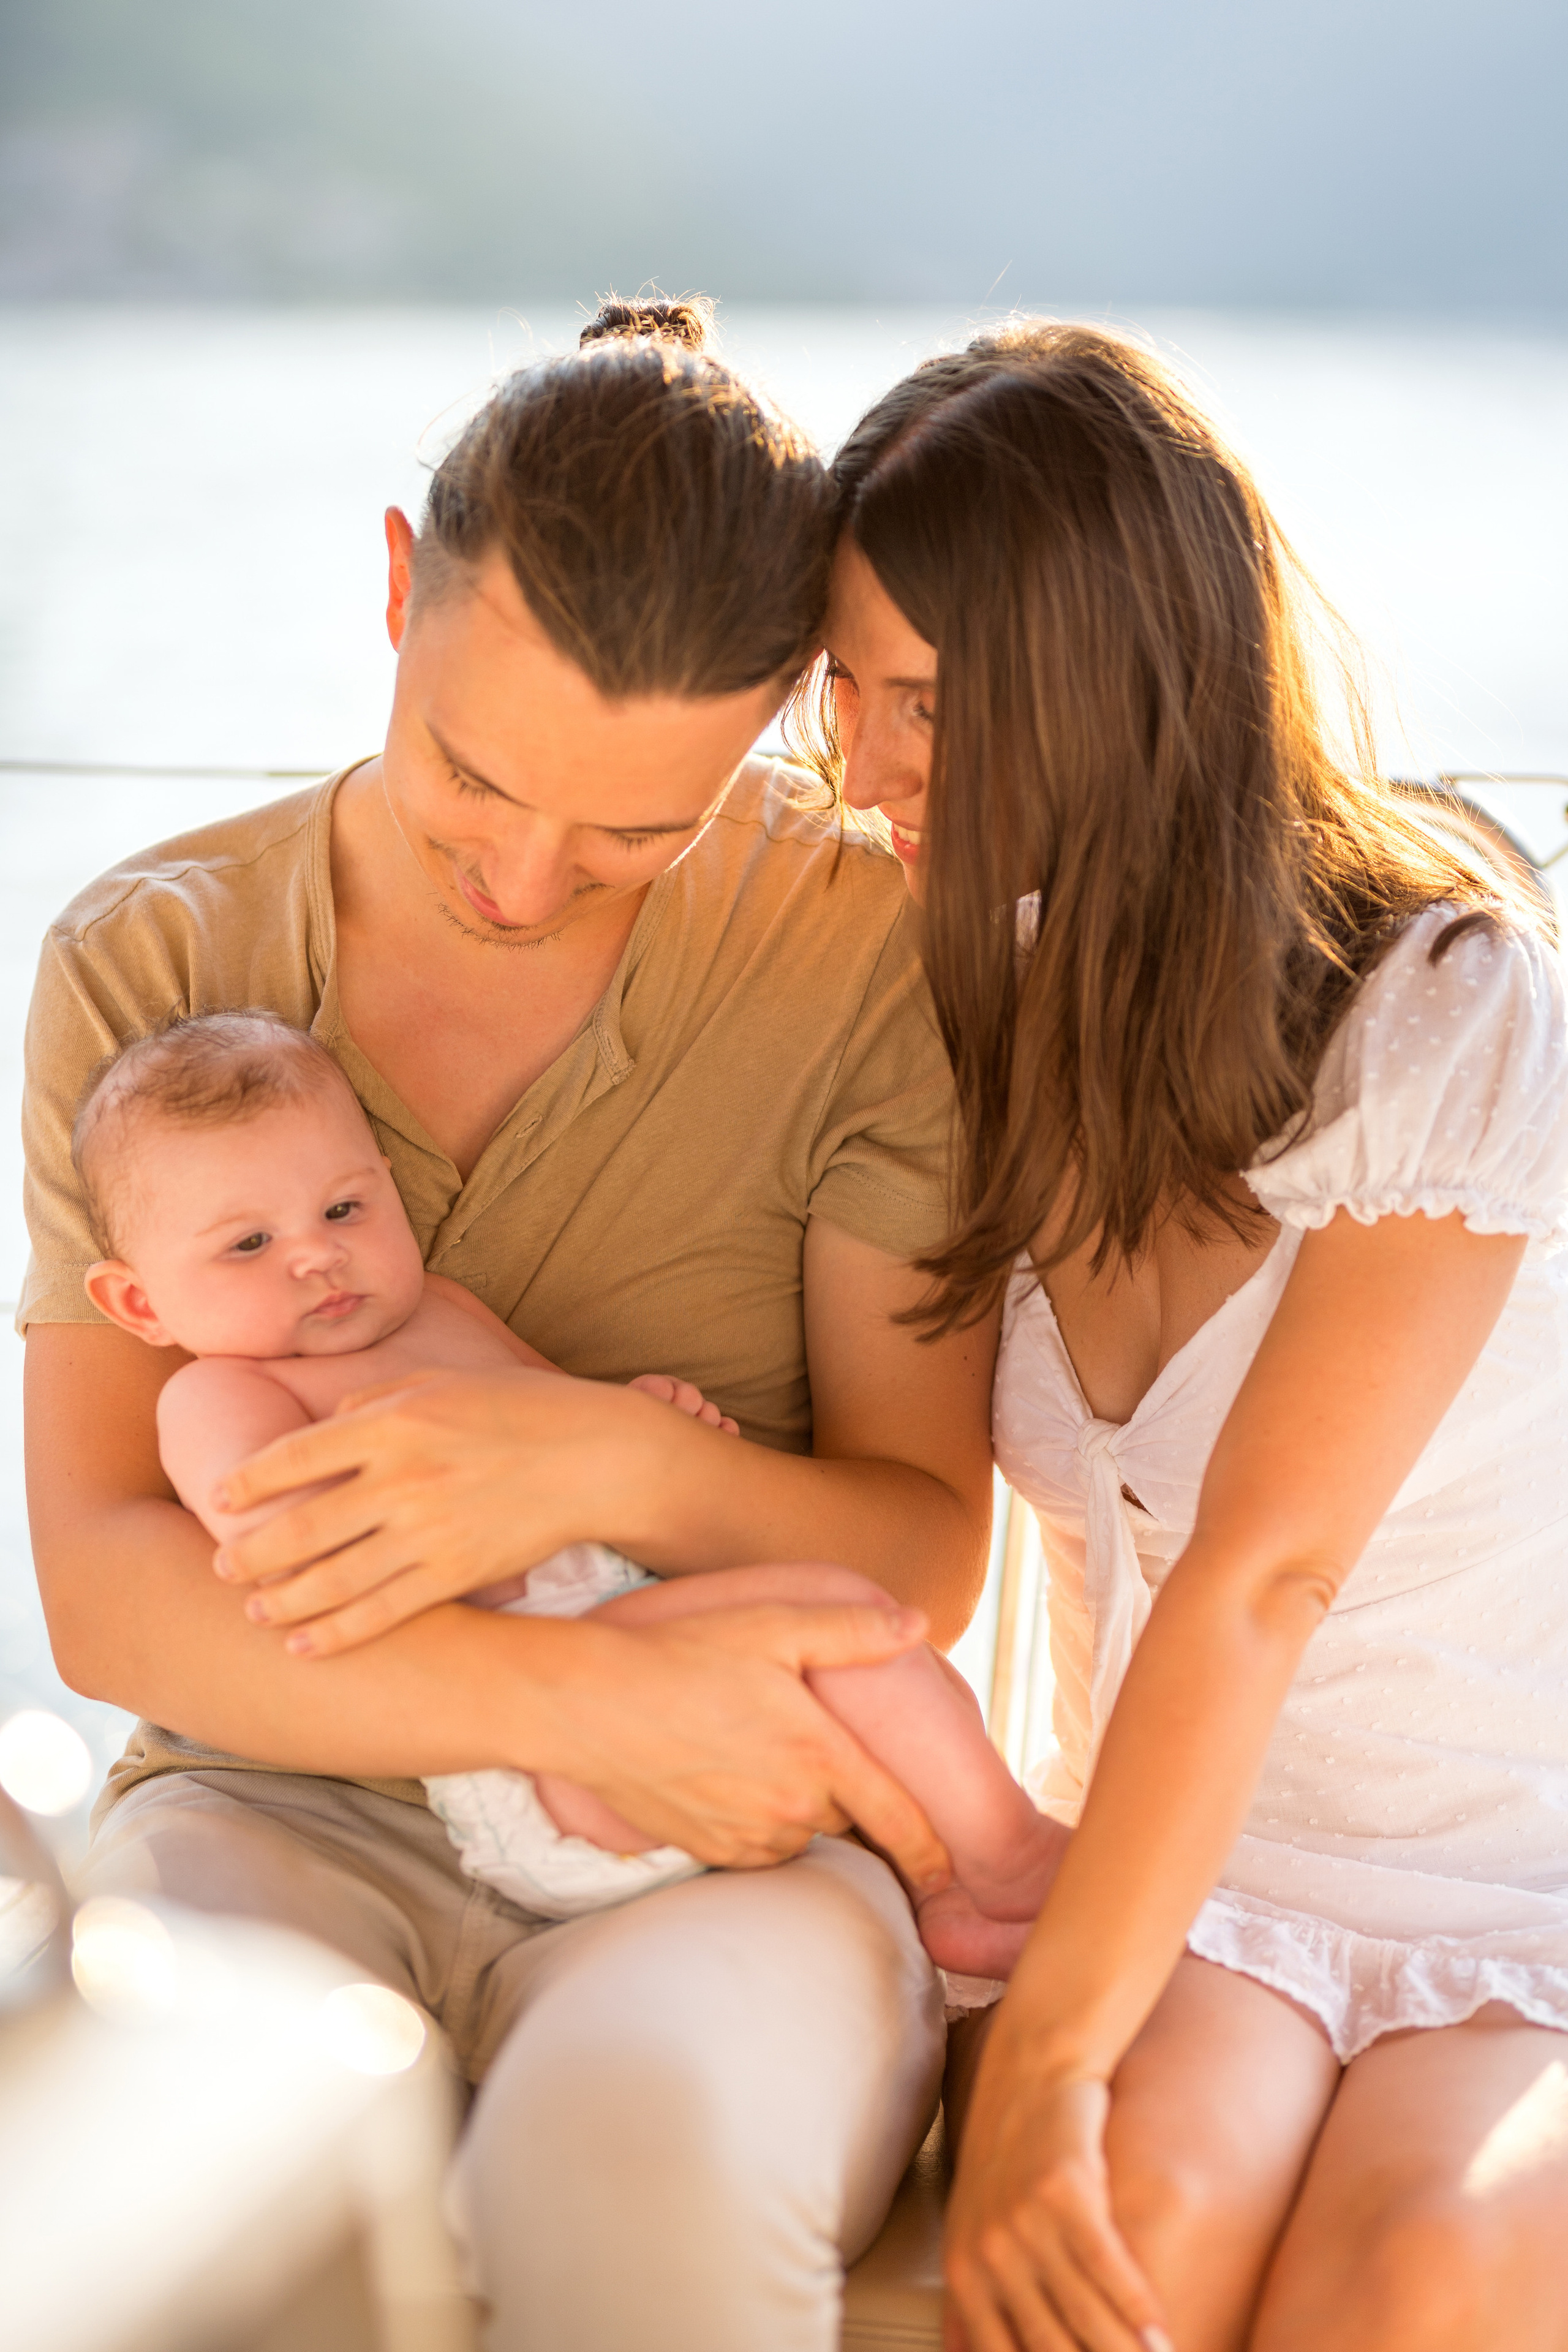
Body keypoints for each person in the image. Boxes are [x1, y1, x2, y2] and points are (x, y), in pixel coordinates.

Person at [21, 298, 997, 2352]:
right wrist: (558, 1700)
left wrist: (605, 1463)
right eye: (474, 775)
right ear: (398, 588)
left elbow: (922, 1545)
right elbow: (106, 1588)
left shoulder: (859, 959)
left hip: (727, 1831)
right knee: (165, 2153)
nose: (528, 879)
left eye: (639, 828)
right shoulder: (156, 961)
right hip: (274, 1788)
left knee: (634, 2157)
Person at [807, 318, 1568, 2351]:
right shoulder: (964, 1003)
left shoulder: (1447, 1006)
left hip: (1515, 1896)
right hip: (1181, 1887)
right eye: (843, 695)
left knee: (1417, 2280)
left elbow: (1259, 1576)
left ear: (1113, 680)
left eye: (925, 704)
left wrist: (1050, 2059)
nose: (863, 771)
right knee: (1122, 2241)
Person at [77, 1006, 1066, 1962]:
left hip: (632, 1622)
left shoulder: (444, 1312)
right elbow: (297, 1557)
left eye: (344, 1209)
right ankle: (1006, 1864)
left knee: (860, 1623)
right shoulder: (221, 1395)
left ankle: (975, 1871)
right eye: (249, 1244)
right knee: (829, 1631)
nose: (316, 1255)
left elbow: (564, 1419)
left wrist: (647, 1417)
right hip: (516, 1746)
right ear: (138, 1301)